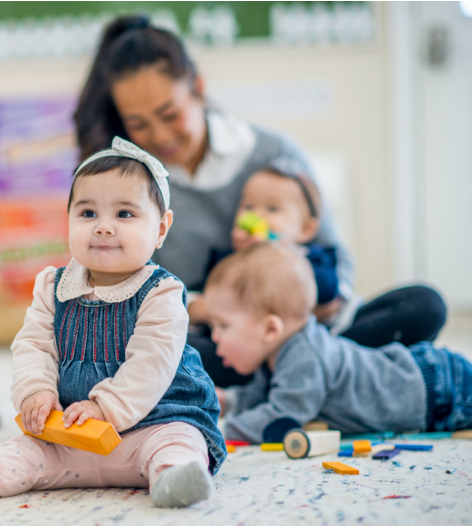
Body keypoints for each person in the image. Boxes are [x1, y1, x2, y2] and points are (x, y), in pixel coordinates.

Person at [74, 14, 446, 387]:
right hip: (218, 339)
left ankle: (297, 374)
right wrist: (208, 307)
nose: (159, 135)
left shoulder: (273, 152)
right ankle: (321, 379)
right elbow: (133, 292)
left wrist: (319, 294)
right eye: (138, 124)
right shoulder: (131, 184)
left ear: (198, 88)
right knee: (141, 346)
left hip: (306, 329)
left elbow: (334, 254)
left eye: (170, 114)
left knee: (424, 305)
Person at [0, 137, 225, 509]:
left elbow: (153, 362)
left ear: (161, 227)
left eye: (124, 214)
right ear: (67, 219)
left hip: (153, 425)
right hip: (71, 434)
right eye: (87, 214)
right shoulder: (53, 286)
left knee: (180, 443)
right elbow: (33, 345)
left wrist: (107, 408)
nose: (103, 227)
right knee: (24, 450)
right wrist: (35, 391)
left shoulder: (161, 291)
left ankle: (173, 479)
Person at [202, 243, 471, 444]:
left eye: (223, 326)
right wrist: (231, 401)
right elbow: (263, 396)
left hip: (437, 390)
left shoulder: (305, 354)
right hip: (426, 384)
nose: (214, 337)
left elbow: (283, 415)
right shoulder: (277, 354)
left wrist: (220, 429)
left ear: (270, 328)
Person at [191, 158, 342, 331]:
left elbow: (327, 291)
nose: (257, 216)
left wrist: (281, 255)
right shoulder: (230, 257)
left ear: (306, 229)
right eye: (248, 206)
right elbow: (209, 289)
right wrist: (243, 259)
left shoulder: (312, 257)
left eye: (272, 209)